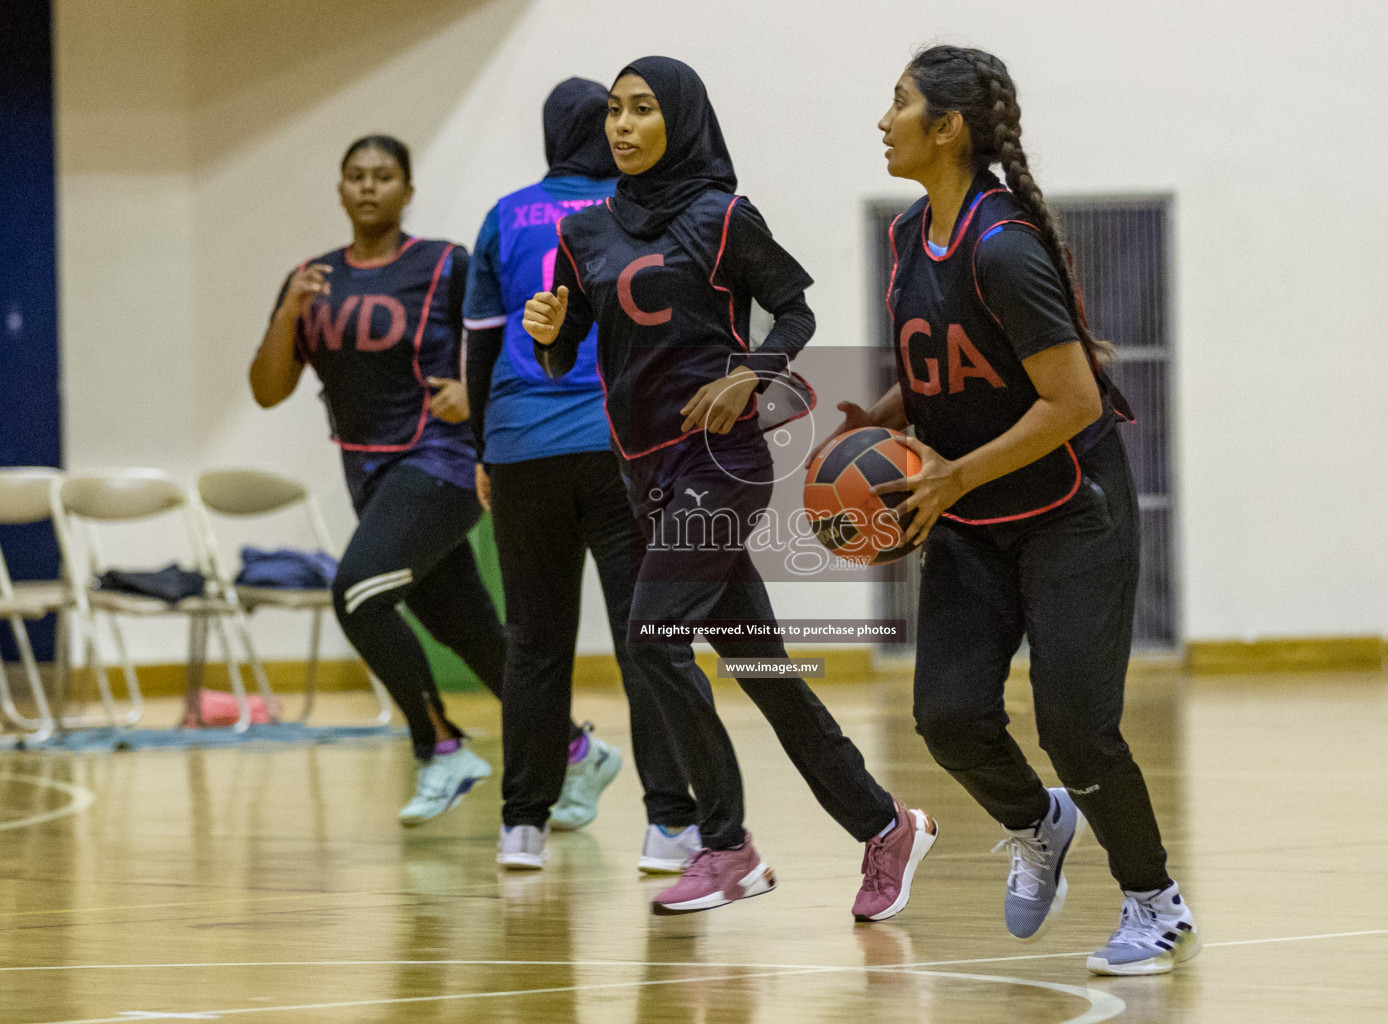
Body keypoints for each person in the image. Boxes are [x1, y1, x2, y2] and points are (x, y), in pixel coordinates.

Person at [522, 56, 936, 919]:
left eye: (642, 110)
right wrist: (552, 335)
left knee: (651, 639)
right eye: (613, 113)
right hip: (643, 475)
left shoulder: (722, 217)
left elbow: (796, 310)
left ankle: (726, 847)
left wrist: (752, 373)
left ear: (681, 119)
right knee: (763, 667)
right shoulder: (583, 234)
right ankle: (885, 824)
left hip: (723, 464)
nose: (623, 126)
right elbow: (566, 354)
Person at [827, 45, 1200, 974]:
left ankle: (1154, 899)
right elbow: (948, 364)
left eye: (900, 103)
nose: (884, 119)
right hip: (978, 514)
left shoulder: (1003, 246)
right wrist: (878, 421)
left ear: (947, 128)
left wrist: (950, 476)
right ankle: (1040, 823)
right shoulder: (909, 234)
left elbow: (1071, 402)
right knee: (949, 715)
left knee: (1077, 728)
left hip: (1075, 512)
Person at [463, 78, 701, 872]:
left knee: (533, 642)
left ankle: (522, 826)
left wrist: (480, 451)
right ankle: (670, 825)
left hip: (520, 447)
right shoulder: (642, 211)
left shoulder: (504, 215)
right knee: (648, 639)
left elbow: (481, 344)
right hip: (621, 451)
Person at [250, 135, 506, 826]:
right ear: (340, 190)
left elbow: (505, 340)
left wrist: (473, 397)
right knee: (470, 630)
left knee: (358, 594)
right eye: (355, 176)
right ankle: (574, 750)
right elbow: (267, 391)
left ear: (407, 190)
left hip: (443, 462)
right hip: (372, 476)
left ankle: (441, 748)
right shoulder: (312, 278)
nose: (368, 187)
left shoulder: (445, 264)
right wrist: (286, 315)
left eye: (383, 176)